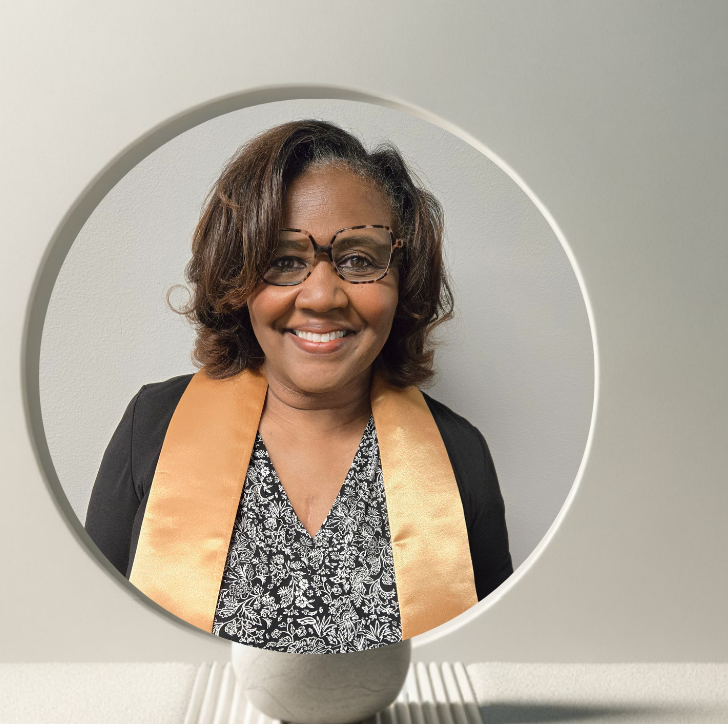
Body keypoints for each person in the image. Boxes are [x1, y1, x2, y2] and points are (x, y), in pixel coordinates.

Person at [84, 120, 511, 654]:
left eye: (359, 258)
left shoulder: (458, 454)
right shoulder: (152, 426)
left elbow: (491, 670)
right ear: (237, 277)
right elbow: (91, 653)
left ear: (404, 277)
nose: (322, 295)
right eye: (284, 260)